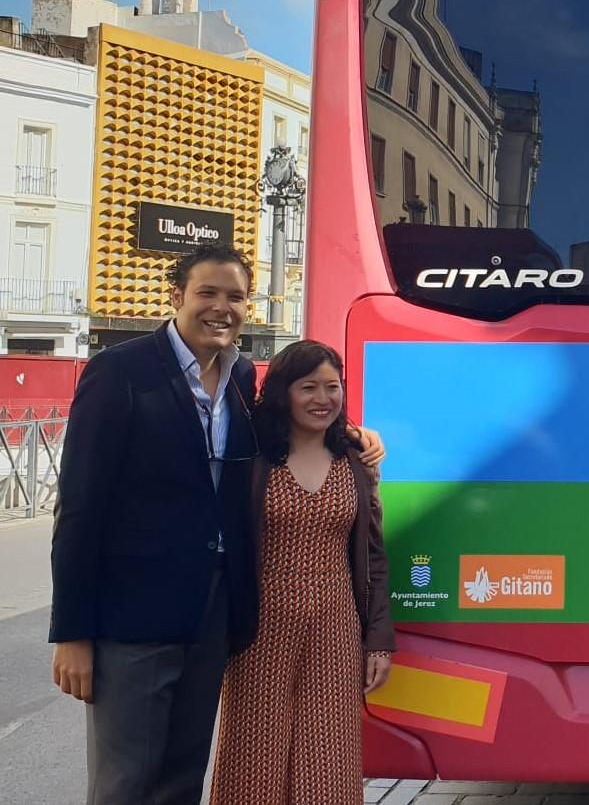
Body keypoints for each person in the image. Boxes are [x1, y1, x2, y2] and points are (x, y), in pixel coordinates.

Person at [49, 244, 384, 805]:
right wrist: (73, 633)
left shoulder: (239, 378)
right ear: (177, 295)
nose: (222, 308)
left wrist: (354, 436)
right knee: (125, 784)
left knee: (183, 778)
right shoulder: (120, 371)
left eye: (235, 296)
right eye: (207, 293)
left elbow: (296, 423)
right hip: (134, 619)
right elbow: (80, 509)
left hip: (214, 618)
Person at [210, 340, 394, 805]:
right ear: (282, 393)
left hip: (336, 625)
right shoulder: (252, 457)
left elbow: (373, 554)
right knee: (254, 754)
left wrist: (379, 639)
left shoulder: (354, 461)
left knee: (329, 756)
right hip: (260, 627)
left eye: (332, 387)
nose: (322, 398)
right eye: (308, 386)